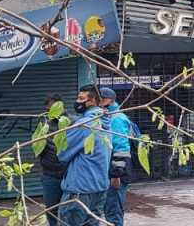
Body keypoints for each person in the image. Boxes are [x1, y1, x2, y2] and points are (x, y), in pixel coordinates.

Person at [58, 85, 112, 226]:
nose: (77, 101)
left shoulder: (85, 124)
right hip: (99, 189)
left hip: (79, 191)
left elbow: (62, 154)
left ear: (93, 100)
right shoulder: (105, 122)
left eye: (81, 98)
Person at [99, 87, 134, 226]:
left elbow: (121, 148)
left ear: (108, 100)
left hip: (117, 173)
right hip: (114, 171)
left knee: (113, 211)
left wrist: (116, 174)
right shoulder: (110, 115)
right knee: (111, 209)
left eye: (99, 98)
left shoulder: (116, 118)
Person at [39, 93, 68, 226]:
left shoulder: (73, 123)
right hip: (49, 175)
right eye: (47, 110)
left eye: (50, 109)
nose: (48, 112)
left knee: (69, 210)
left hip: (69, 175)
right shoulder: (44, 125)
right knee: (51, 210)